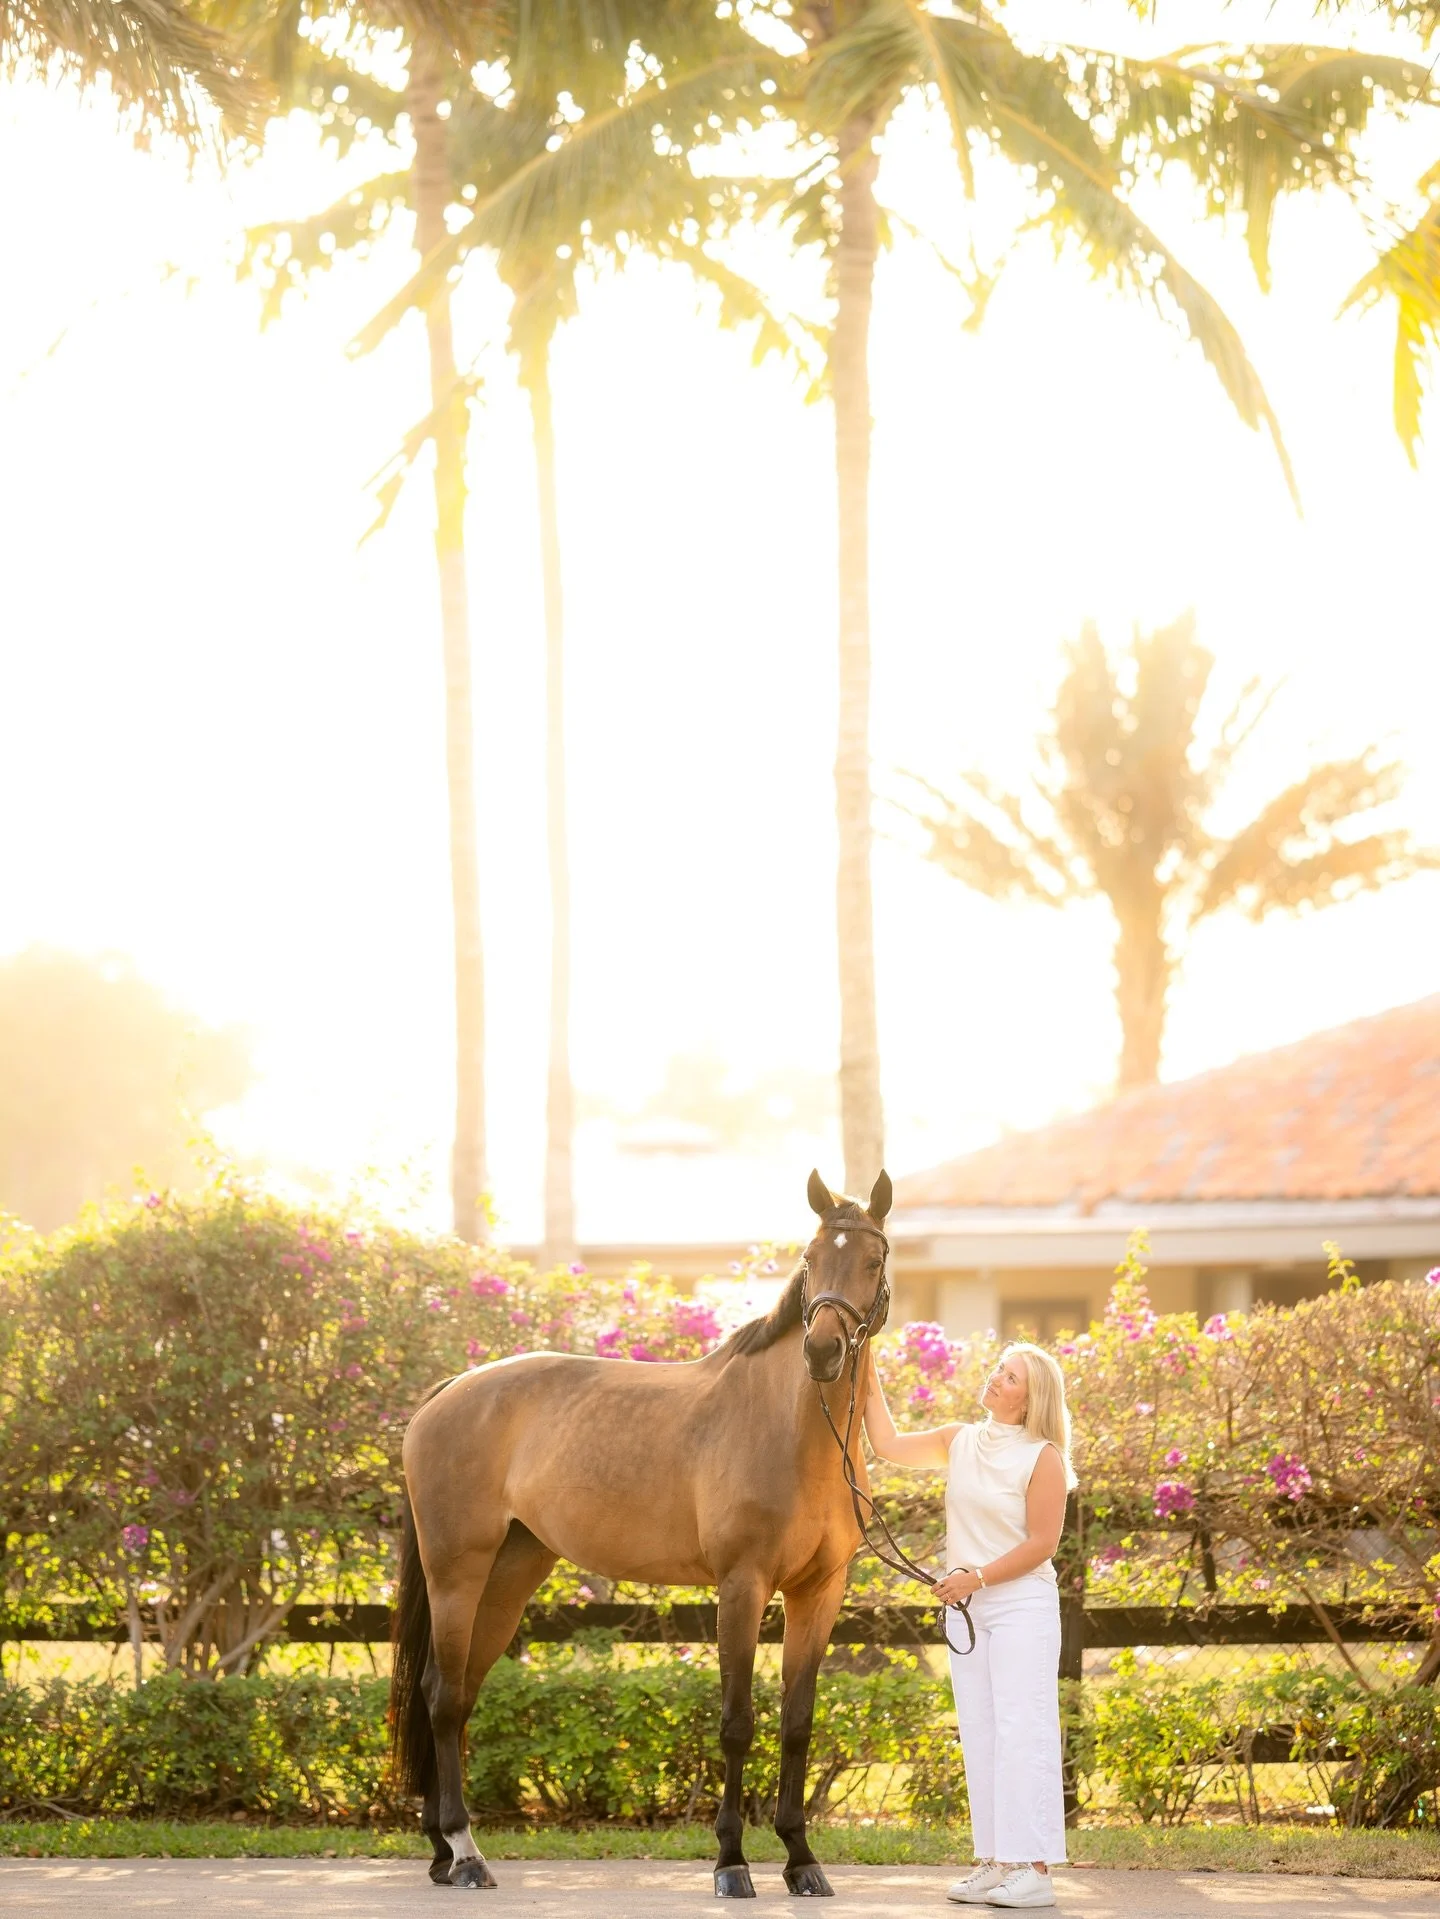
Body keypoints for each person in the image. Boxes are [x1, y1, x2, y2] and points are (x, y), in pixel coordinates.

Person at [863, 1341, 1075, 1909]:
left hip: (1020, 1606)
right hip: (969, 1608)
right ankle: (996, 1861)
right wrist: (865, 1363)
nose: (996, 1378)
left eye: (1010, 1377)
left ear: (1029, 1401)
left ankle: (1035, 1871)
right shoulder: (959, 1440)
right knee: (981, 1733)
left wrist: (975, 1578)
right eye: (1000, 1369)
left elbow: (1042, 1544)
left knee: (1021, 1730)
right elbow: (886, 1443)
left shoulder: (1043, 1457)